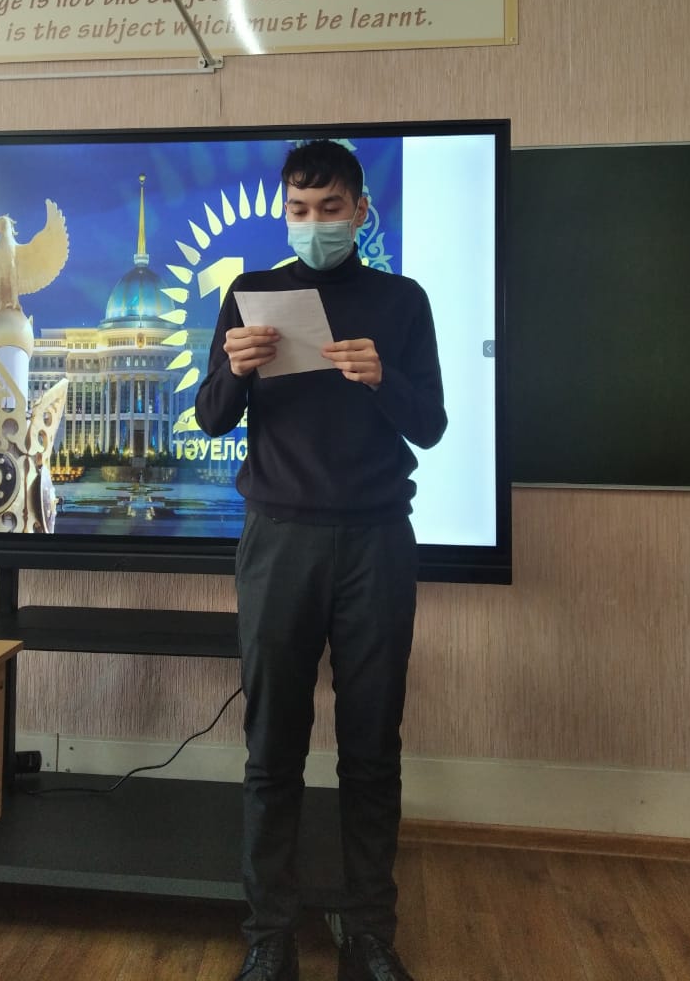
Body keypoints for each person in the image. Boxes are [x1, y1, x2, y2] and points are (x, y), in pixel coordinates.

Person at [195, 139, 447, 981]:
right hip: (279, 539)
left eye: (330, 208)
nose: (314, 224)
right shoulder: (251, 293)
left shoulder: (401, 301)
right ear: (284, 212)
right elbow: (210, 417)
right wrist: (235, 371)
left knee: (371, 746)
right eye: (298, 211)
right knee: (272, 745)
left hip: (376, 539)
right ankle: (268, 934)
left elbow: (431, 425)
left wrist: (382, 379)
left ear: (360, 212)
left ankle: (369, 932)